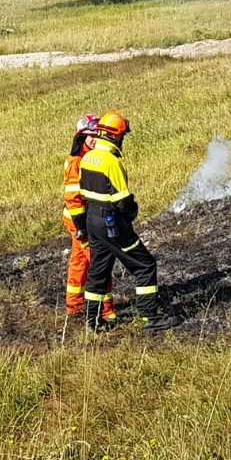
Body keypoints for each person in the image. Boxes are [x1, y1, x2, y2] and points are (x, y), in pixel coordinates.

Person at [70, 113, 179, 331]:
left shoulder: (88, 158)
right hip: (112, 224)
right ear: (115, 136)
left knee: (98, 271)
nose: (123, 140)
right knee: (145, 265)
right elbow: (123, 201)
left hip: (93, 221)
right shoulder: (111, 162)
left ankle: (93, 322)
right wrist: (131, 215)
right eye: (122, 136)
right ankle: (150, 317)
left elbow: (81, 193)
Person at [60, 115, 113, 321]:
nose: (95, 139)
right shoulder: (76, 161)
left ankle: (74, 306)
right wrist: (81, 227)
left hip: (86, 218)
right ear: (81, 137)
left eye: (97, 135)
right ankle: (106, 310)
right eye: (91, 136)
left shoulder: (92, 157)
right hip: (80, 220)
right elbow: (73, 198)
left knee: (80, 261)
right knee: (99, 262)